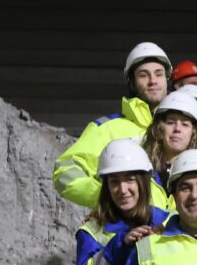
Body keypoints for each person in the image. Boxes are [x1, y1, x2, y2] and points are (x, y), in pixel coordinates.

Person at [53, 42, 170, 208]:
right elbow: (64, 173)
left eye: (158, 74)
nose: (153, 81)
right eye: (143, 75)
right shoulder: (106, 129)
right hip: (128, 224)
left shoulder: (184, 126)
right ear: (132, 83)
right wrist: (109, 199)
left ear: (167, 79)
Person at [141, 92, 197, 200]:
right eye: (170, 122)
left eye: (185, 124)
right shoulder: (142, 168)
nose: (177, 129)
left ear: (194, 133)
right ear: (159, 128)